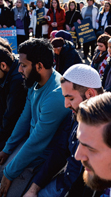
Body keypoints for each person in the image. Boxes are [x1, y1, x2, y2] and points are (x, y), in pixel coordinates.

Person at [0, 39, 71, 196]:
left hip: (44, 152)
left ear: (39, 66)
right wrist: (8, 149)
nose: (19, 70)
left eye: (23, 65)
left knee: (9, 190)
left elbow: (38, 142)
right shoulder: (35, 81)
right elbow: (24, 118)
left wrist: (9, 174)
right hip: (32, 142)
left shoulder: (56, 95)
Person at [23, 64, 104, 197]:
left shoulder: (107, 128)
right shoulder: (75, 113)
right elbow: (60, 151)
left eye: (70, 98)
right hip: (63, 182)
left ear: (90, 94)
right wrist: (34, 188)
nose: (66, 105)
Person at [0, 42, 28, 168]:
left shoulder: (17, 80)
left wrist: (1, 144)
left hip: (20, 126)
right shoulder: (3, 75)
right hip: (10, 122)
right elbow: (2, 106)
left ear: (3, 65)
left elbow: (12, 115)